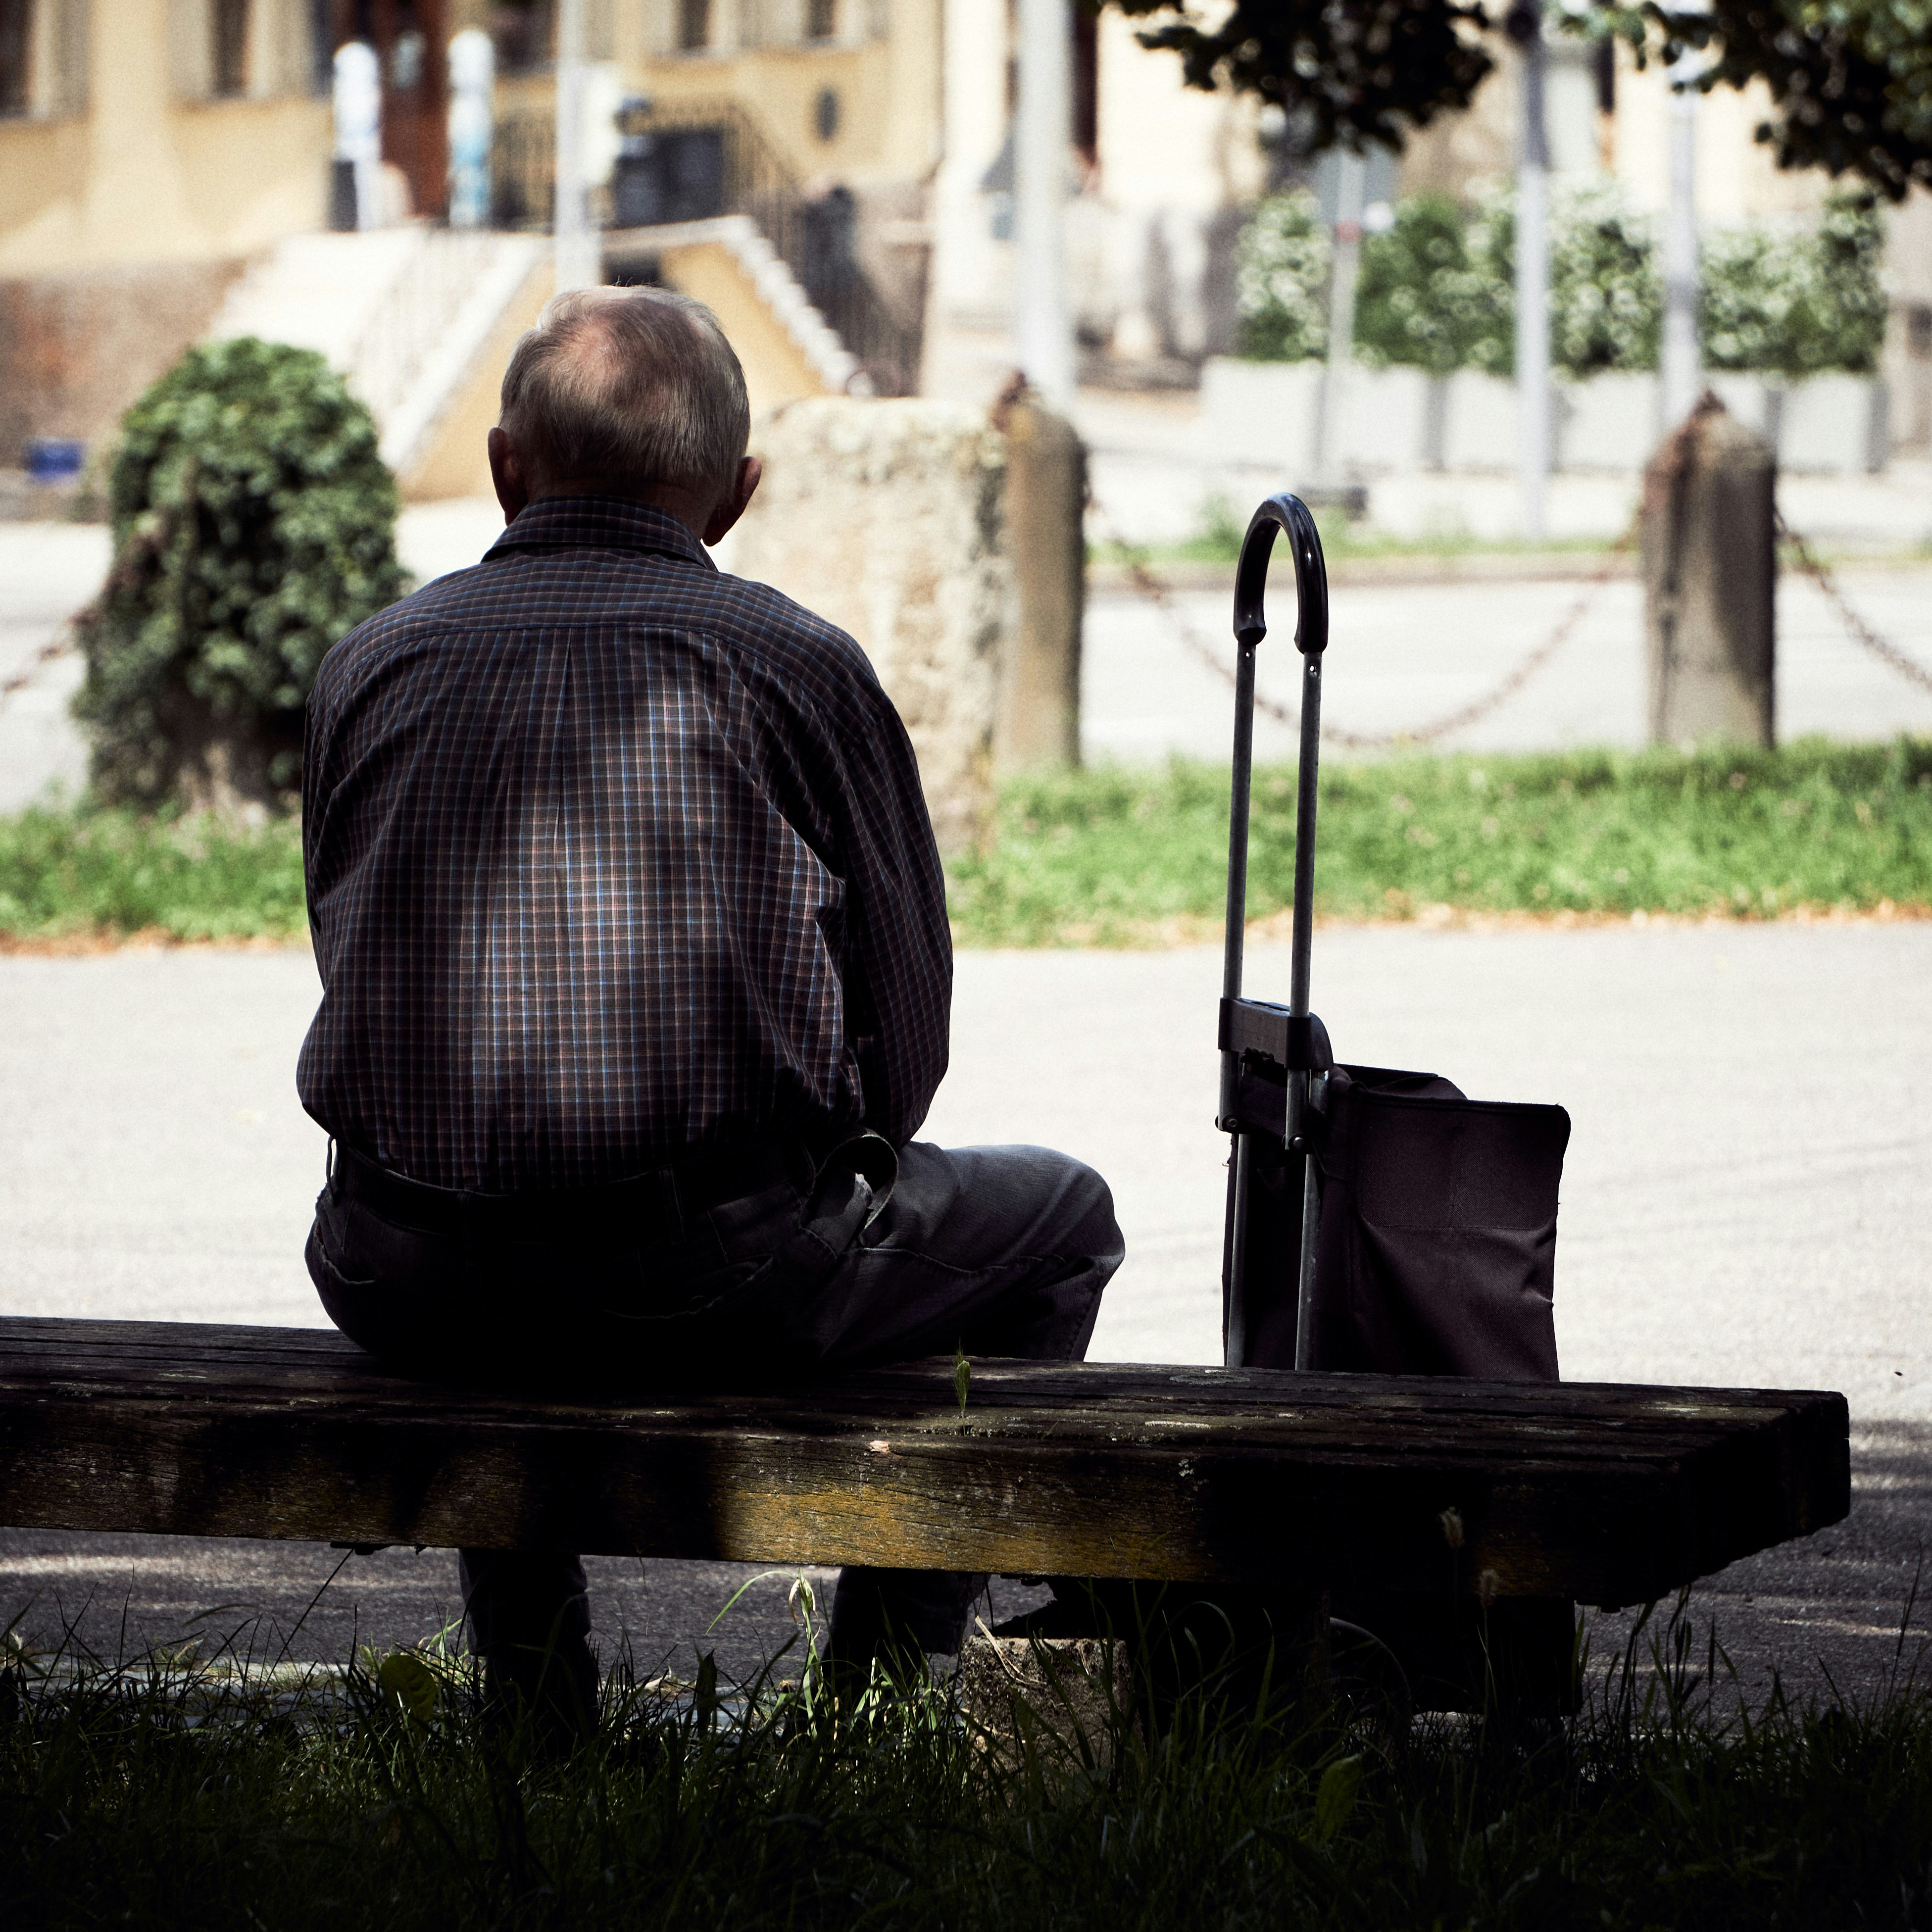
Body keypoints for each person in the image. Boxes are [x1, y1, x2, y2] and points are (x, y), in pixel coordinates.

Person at [297, 286, 1124, 1739]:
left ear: (505, 466)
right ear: (740, 494)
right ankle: (880, 1694)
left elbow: (356, 961)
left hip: (396, 1275)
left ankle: (535, 1694)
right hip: (708, 1278)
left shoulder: (373, 662)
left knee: (501, 1207)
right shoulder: (793, 666)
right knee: (1065, 1218)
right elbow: (905, 1044)